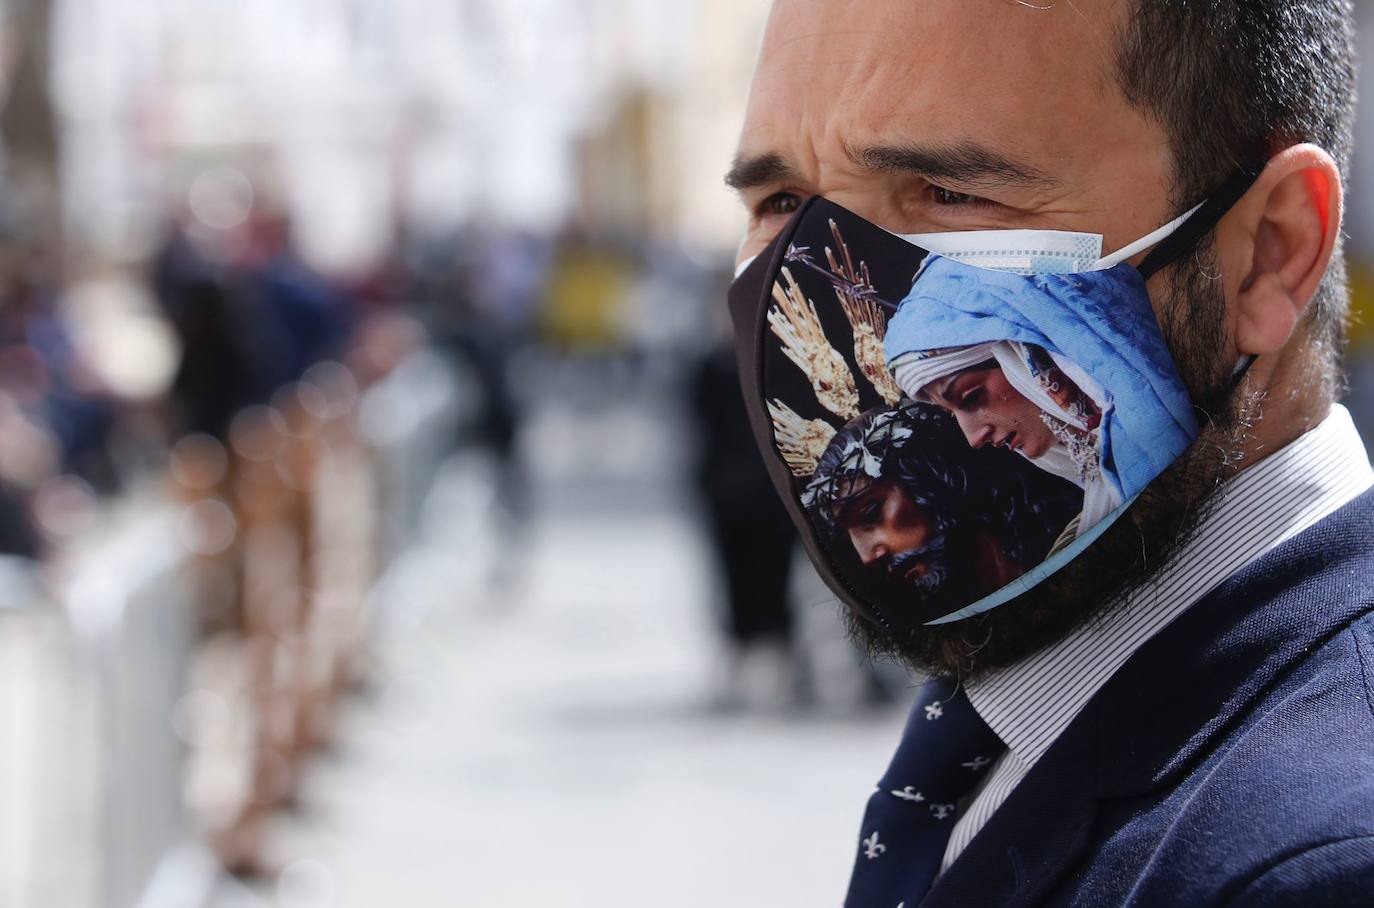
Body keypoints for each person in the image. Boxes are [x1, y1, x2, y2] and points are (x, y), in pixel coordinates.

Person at [727, 1, 1374, 905]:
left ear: (1272, 250)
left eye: (952, 193)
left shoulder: (1317, 864)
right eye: (781, 201)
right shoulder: (1026, 703)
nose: (814, 265)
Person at [802, 403, 1081, 615]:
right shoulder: (949, 666)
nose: (867, 557)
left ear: (931, 475)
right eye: (849, 534)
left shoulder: (1084, 534)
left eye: (871, 513)